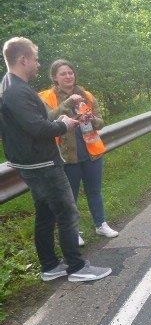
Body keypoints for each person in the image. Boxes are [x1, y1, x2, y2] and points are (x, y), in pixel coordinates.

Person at [0, 37, 111, 282]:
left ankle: (50, 266)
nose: (38, 64)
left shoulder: (10, 86)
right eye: (36, 59)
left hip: (31, 162)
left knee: (46, 214)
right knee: (67, 213)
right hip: (43, 163)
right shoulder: (17, 91)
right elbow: (38, 128)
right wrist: (63, 124)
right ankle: (77, 268)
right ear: (23, 60)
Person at [39, 59, 118, 245]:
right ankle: (74, 231)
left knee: (94, 191)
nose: (68, 76)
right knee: (70, 196)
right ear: (55, 78)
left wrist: (92, 119)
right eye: (63, 74)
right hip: (66, 155)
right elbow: (46, 120)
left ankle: (101, 224)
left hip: (91, 151)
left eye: (70, 72)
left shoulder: (86, 95)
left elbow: (100, 122)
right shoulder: (47, 97)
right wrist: (67, 103)